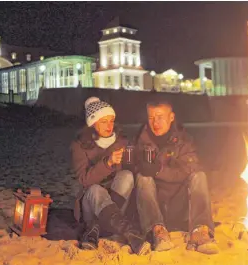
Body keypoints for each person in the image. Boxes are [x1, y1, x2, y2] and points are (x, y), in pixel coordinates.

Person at [135, 100, 219, 254]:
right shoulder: (141, 141)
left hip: (179, 204)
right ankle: (158, 232)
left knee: (199, 176)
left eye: (160, 117)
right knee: (142, 177)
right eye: (151, 117)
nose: (155, 122)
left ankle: (200, 231)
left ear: (171, 117)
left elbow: (189, 169)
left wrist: (159, 170)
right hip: (155, 206)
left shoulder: (184, 140)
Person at [71, 97, 150, 255]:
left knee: (127, 175)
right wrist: (107, 163)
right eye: (103, 121)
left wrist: (139, 161)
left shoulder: (121, 141)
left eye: (111, 120)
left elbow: (129, 172)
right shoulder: (79, 145)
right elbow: (84, 180)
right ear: (93, 124)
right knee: (95, 190)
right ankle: (130, 233)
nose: (109, 126)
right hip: (90, 203)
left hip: (115, 202)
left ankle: (95, 229)